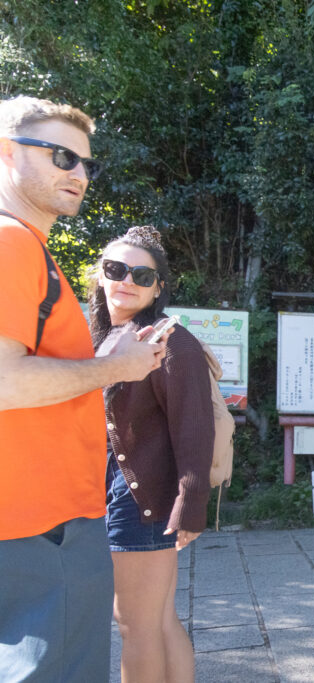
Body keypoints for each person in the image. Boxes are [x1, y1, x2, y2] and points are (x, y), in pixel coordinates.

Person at [0, 96, 168, 681]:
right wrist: (114, 368)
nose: (78, 173)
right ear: (6, 152)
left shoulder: (28, 250)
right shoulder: (13, 244)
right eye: (60, 156)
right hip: (42, 523)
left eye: (86, 163)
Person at [89, 225, 214, 683]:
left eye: (142, 276)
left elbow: (194, 426)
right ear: (100, 274)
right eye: (116, 269)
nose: (127, 281)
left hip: (139, 496)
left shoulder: (170, 340)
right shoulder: (101, 334)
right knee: (157, 620)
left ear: (158, 287)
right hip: (119, 489)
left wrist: (191, 503)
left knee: (135, 625)